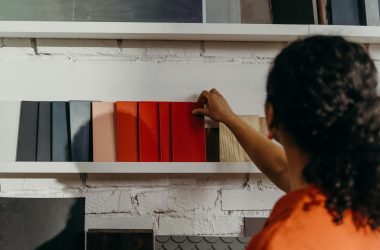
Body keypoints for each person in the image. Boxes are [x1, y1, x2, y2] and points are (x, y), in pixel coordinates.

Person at [193, 36, 380, 249]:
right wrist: (230, 119)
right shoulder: (362, 205)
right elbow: (283, 168)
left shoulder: (279, 242)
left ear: (270, 115)